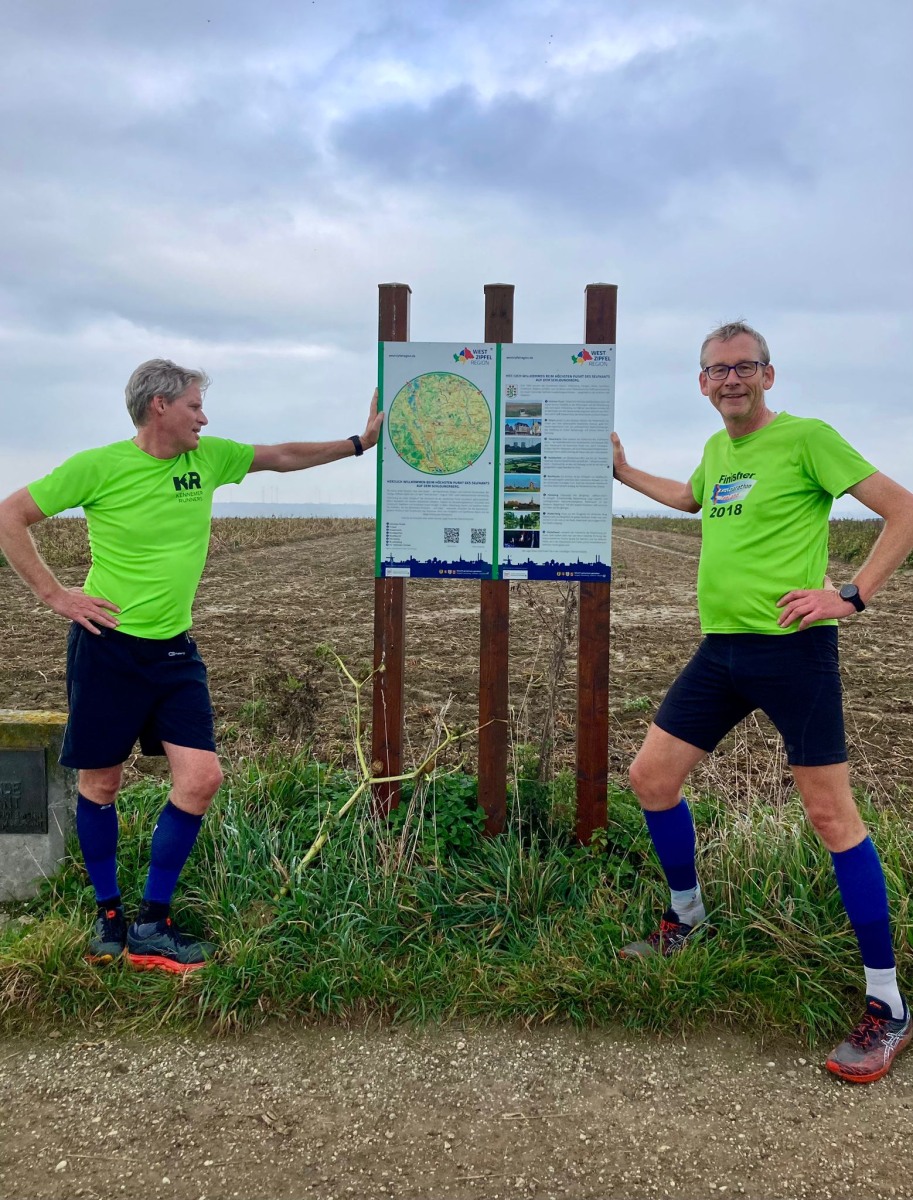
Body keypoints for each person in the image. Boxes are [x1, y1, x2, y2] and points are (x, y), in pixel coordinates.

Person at [0, 359, 381, 974]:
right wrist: (56, 595)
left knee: (201, 779)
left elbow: (281, 455)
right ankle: (108, 917)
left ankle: (152, 923)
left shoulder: (208, 459)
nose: (204, 418)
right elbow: (9, 515)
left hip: (174, 652)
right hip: (106, 647)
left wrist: (358, 443)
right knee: (101, 784)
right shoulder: (97, 466)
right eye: (195, 406)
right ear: (160, 406)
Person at [611, 321, 913, 1084]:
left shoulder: (807, 439)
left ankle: (887, 1005)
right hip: (720, 652)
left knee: (830, 817)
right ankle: (686, 917)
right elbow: (688, 498)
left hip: (793, 652)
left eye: (744, 367)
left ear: (767, 376)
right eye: (717, 370)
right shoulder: (718, 452)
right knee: (650, 778)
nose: (730, 379)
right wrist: (622, 471)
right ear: (702, 384)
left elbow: (902, 509)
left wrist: (850, 595)